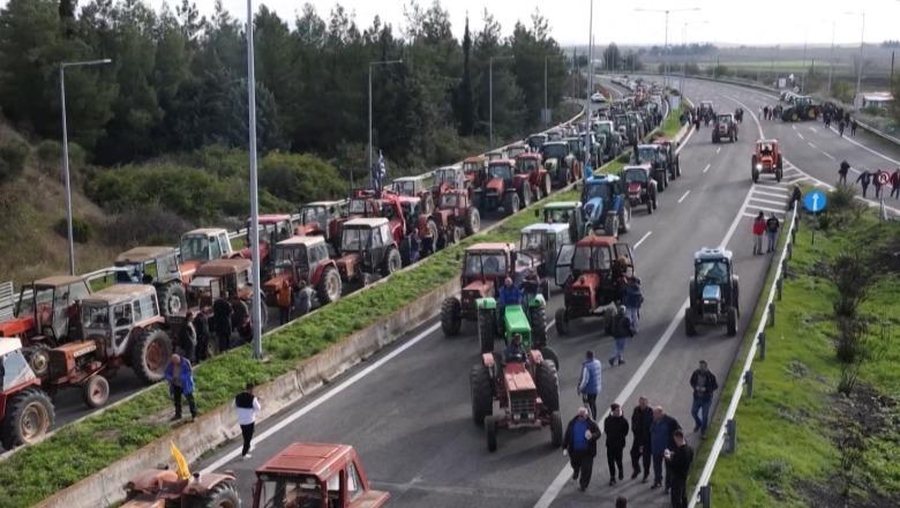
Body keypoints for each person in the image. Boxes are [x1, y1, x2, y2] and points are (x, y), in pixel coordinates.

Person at [563, 407, 602, 492]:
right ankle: (576, 470)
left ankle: (583, 484)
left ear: (586, 415)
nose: (581, 418)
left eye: (583, 416)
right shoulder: (572, 423)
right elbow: (567, 435)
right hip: (575, 451)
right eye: (580, 416)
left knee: (586, 469)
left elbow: (598, 433)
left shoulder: (591, 424)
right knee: (574, 463)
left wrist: (592, 436)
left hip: (587, 451)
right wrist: (565, 446)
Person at [650, 406, 681, 492]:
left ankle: (668, 486)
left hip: (667, 450)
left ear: (661, 413)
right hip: (656, 448)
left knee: (669, 469)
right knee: (656, 467)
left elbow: (679, 432)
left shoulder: (670, 421)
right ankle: (657, 481)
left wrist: (675, 447)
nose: (653, 415)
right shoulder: (654, 421)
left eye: (655, 414)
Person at [689, 360, 719, 437]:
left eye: (702, 367)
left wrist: (706, 389)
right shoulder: (696, 373)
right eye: (700, 366)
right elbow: (691, 381)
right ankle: (699, 423)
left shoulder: (710, 376)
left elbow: (715, 386)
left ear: (706, 367)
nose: (701, 368)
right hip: (697, 397)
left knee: (705, 415)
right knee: (693, 412)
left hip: (706, 399)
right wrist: (695, 387)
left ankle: (703, 431)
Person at [666, 430, 694, 508]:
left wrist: (668, 458)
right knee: (683, 496)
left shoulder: (681, 452)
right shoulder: (689, 449)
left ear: (678, 438)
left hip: (677, 478)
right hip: (685, 475)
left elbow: (674, 465)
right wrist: (673, 455)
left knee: (676, 499)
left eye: (675, 440)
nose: (675, 442)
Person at [165, 354, 197, 421]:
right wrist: (171, 378)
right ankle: (178, 415)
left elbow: (189, 372)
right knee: (177, 401)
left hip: (185, 384)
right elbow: (167, 373)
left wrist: (181, 378)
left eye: (176, 362)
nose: (175, 364)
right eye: (174, 362)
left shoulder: (186, 362)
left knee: (190, 400)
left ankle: (194, 415)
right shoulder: (171, 364)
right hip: (176, 385)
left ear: (179, 359)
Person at [604, 403, 630, 485]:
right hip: (610, 444)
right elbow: (606, 430)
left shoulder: (623, 421)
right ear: (613, 411)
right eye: (617, 410)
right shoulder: (608, 420)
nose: (619, 412)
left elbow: (626, 431)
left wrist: (620, 437)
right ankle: (612, 477)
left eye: (619, 410)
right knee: (610, 461)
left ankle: (620, 470)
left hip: (619, 445)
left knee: (619, 460)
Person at [235, 383, 262, 459]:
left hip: (241, 421)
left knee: (245, 435)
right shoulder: (252, 398)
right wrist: (256, 401)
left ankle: (248, 447)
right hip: (249, 420)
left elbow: (234, 406)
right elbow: (258, 408)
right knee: (248, 437)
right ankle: (244, 453)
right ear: (251, 389)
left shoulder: (238, 397)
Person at [630, 396, 653, 482]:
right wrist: (634, 429)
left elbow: (651, 425)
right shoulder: (636, 410)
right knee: (633, 454)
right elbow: (633, 420)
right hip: (638, 438)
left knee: (646, 459)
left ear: (647, 403)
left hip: (647, 439)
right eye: (640, 403)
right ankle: (637, 469)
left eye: (643, 403)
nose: (642, 405)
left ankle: (646, 475)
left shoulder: (650, 412)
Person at [578, 351, 603, 418]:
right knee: (593, 403)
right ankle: (594, 417)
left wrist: (580, 389)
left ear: (586, 356)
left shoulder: (587, 367)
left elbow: (585, 380)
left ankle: (592, 418)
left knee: (588, 404)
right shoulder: (598, 362)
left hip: (589, 389)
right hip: (597, 387)